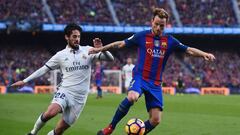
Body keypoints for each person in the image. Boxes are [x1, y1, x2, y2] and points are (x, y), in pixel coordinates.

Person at [88, 8, 215, 135]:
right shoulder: (142, 36)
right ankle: (110, 127)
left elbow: (189, 50)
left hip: (155, 83)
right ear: (151, 21)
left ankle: (137, 133)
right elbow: (120, 44)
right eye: (156, 24)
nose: (159, 28)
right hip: (140, 77)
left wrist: (204, 54)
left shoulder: (170, 41)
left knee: (155, 120)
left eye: (162, 25)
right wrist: (101, 49)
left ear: (166, 25)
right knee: (132, 97)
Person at [10, 23, 114, 135]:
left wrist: (102, 49)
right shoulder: (60, 55)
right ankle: (33, 132)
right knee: (51, 112)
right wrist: (25, 81)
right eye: (74, 36)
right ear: (67, 37)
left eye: (78, 36)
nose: (77, 39)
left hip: (80, 98)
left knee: (59, 130)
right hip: (65, 91)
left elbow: (110, 59)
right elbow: (44, 69)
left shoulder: (88, 50)